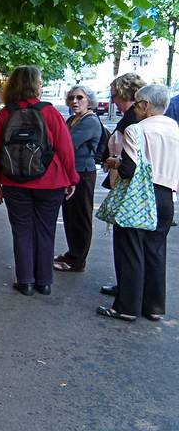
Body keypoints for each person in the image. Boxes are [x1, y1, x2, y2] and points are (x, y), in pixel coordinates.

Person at [0, 66, 79, 296]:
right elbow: (65, 149)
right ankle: (45, 281)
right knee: (46, 230)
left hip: (13, 182)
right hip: (51, 181)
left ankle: (26, 281)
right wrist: (71, 178)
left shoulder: (4, 114)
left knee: (21, 230)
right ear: (35, 85)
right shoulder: (49, 112)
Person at [97, 84, 179, 321]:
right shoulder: (174, 129)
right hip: (166, 197)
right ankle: (153, 306)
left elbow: (129, 170)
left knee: (130, 248)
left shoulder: (137, 129)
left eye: (137, 105)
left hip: (139, 196)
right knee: (155, 250)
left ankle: (126, 307)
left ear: (145, 105)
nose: (135, 109)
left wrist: (114, 163)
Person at [99, 73, 146, 296]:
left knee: (127, 243)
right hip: (138, 188)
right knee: (139, 246)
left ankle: (128, 294)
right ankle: (136, 292)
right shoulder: (138, 119)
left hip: (129, 188)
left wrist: (113, 162)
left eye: (114, 96)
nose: (113, 102)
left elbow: (129, 162)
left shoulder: (132, 120)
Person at [53, 86, 102, 272]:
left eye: (79, 97)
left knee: (80, 217)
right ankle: (73, 253)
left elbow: (67, 144)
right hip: (71, 173)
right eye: (72, 98)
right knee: (70, 216)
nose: (75, 101)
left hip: (83, 174)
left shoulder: (89, 121)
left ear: (88, 100)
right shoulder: (73, 119)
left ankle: (77, 260)